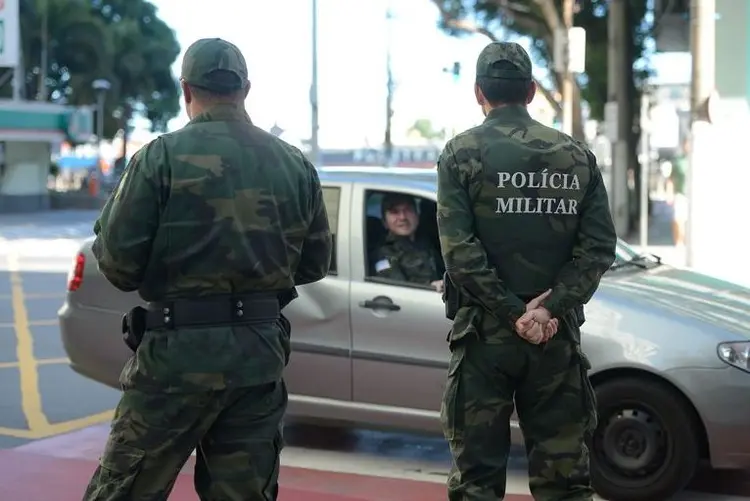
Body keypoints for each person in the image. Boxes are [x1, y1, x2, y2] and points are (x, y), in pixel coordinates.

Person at [82, 38, 332, 501]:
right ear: (246, 89)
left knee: (124, 490)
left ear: (186, 90)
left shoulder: (159, 158)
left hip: (176, 361)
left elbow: (118, 266)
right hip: (257, 357)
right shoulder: (294, 163)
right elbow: (315, 263)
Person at [437, 41, 617, 501]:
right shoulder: (575, 156)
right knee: (565, 485)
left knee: (476, 483)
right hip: (553, 337)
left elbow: (459, 253)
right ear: (532, 91)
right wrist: (548, 308)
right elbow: (598, 249)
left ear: (479, 92)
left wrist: (509, 311)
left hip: (483, 339)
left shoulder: (460, 154)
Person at [372, 192, 444, 292]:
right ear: (385, 222)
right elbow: (398, 292)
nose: (402, 217)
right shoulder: (384, 253)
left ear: (417, 216)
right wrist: (430, 286)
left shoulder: (428, 242)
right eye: (394, 212)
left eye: (408, 210)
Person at [669, 140, 689, 247]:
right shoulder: (678, 161)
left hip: (693, 195)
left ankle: (685, 241)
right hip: (681, 194)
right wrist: (669, 193)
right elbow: (671, 178)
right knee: (678, 218)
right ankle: (679, 242)